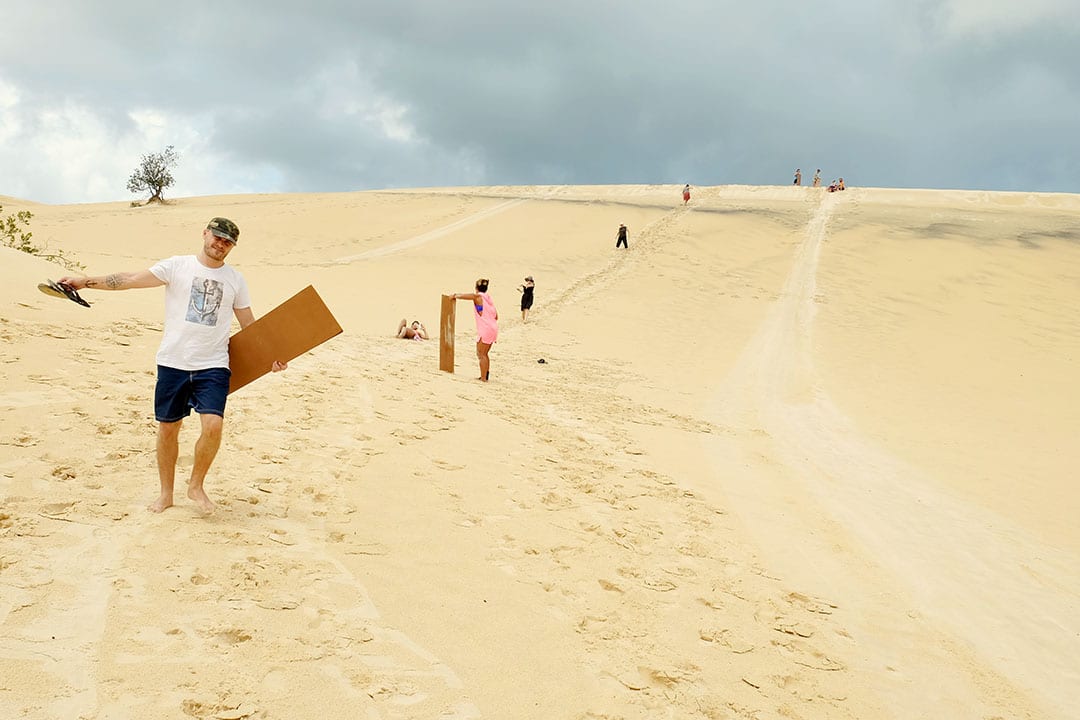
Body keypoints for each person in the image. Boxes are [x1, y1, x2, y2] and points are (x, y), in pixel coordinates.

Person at [58, 217, 286, 515]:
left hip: (213, 365)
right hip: (173, 362)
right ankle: (166, 493)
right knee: (168, 429)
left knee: (213, 426)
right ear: (205, 234)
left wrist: (270, 356)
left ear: (232, 247)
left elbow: (249, 324)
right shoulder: (177, 266)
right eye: (217, 237)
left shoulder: (235, 280)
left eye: (228, 242)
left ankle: (196, 485)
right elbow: (129, 280)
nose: (220, 244)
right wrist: (85, 281)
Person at [450, 278, 499, 382]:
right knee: (484, 353)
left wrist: (455, 295)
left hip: (486, 329)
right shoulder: (489, 300)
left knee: (481, 354)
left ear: (476, 288)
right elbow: (496, 316)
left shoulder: (478, 297)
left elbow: (471, 296)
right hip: (493, 328)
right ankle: (485, 375)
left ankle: (483, 378)